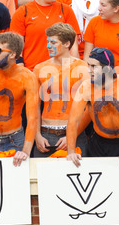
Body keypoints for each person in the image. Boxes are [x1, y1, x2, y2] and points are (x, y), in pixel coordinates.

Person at [66, 47, 119, 166]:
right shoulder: (86, 87)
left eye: (94, 67)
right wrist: (71, 151)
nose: (89, 70)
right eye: (88, 65)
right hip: (99, 144)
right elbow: (73, 120)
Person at [0, 32, 39, 167]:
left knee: (16, 184)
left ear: (12, 54)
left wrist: (26, 151)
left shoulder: (28, 76)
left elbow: (32, 117)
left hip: (15, 138)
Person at [32, 23, 89, 157]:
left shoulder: (83, 67)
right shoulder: (39, 68)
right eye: (47, 42)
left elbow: (89, 107)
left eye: (53, 42)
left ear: (67, 43)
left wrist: (72, 134)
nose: (48, 46)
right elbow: (33, 106)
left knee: (74, 178)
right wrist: (37, 135)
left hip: (75, 133)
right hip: (45, 135)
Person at [10, 0, 81, 71]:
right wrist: (22, 71)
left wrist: (72, 69)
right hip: (32, 70)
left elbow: (73, 45)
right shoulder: (23, 12)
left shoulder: (66, 10)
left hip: (61, 72)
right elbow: (16, 47)